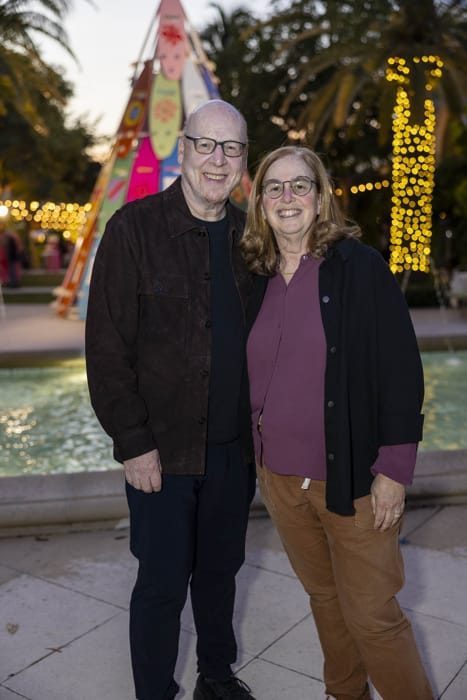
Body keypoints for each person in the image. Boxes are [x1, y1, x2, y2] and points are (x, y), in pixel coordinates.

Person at [242, 145, 434, 700]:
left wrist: (394, 469)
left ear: (321, 195)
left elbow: (401, 369)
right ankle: (344, 692)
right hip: (278, 479)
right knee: (325, 600)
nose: (287, 197)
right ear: (260, 202)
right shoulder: (252, 276)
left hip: (352, 478)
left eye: (300, 185)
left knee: (373, 615)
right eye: (274, 187)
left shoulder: (358, 268)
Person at [85, 100, 257, 700]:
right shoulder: (132, 230)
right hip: (161, 453)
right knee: (161, 585)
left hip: (233, 452)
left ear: (244, 159)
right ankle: (154, 691)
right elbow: (107, 350)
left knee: (220, 575)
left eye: (232, 148)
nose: (218, 159)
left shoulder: (252, 239)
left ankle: (216, 676)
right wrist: (134, 444)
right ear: (182, 150)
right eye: (206, 144)